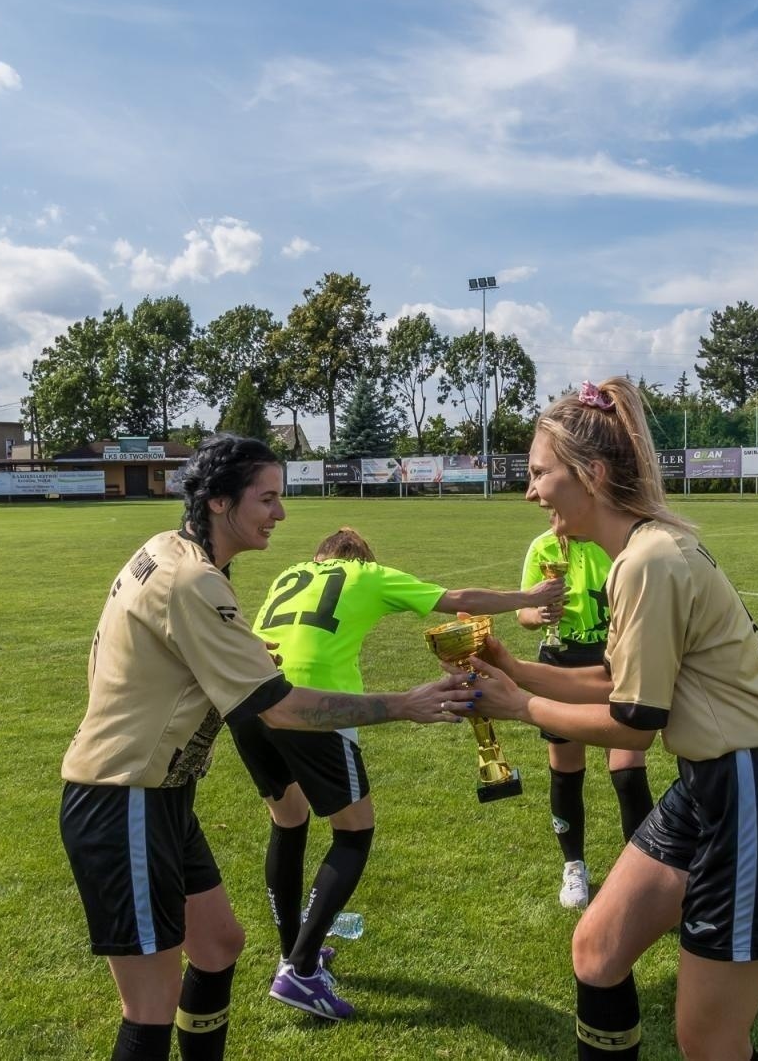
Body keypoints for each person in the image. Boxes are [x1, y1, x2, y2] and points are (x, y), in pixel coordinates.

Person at [58, 435, 477, 1061]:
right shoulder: (193, 579)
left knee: (220, 945)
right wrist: (403, 704)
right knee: (148, 1011)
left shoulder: (167, 552)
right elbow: (279, 706)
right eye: (268, 498)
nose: (280, 514)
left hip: (160, 798)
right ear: (221, 502)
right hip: (123, 801)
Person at [457, 379, 758, 1061]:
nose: (531, 492)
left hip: (752, 794)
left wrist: (519, 705)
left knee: (710, 1041)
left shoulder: (648, 561)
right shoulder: (641, 553)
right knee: (597, 949)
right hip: (713, 786)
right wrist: (514, 668)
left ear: (591, 476)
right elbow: (615, 681)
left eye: (541, 473)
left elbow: (633, 722)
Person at [232, 525, 567, 1019]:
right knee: (353, 832)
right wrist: (529, 595)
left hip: (251, 701)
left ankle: (293, 952)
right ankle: (301, 971)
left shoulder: (292, 572)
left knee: (288, 821)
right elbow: (458, 598)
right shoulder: (365, 573)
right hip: (314, 703)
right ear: (363, 556)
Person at [516, 529, 654, 910]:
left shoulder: (613, 540)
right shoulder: (541, 545)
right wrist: (538, 613)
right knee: (565, 769)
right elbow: (523, 613)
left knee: (628, 771)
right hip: (560, 661)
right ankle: (573, 865)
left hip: (615, 661)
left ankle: (644, 872)